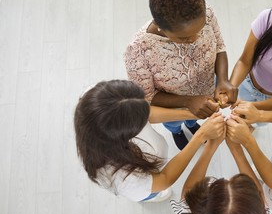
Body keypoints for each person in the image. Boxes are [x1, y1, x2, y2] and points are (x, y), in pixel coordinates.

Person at [124, 0, 237, 150]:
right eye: (184, 38)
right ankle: (176, 131)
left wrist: (222, 79)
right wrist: (189, 101)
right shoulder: (138, 51)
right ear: (160, 26)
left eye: (200, 30)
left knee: (194, 118)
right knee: (174, 123)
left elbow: (220, 47)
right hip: (172, 106)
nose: (195, 39)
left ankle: (191, 125)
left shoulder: (207, 14)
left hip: (206, 90)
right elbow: (147, 97)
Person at [74, 80, 225, 202]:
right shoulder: (123, 178)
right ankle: (155, 197)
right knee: (157, 193)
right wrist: (200, 137)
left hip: (153, 160)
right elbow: (164, 179)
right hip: (148, 185)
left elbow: (147, 112)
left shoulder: (97, 98)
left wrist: (191, 114)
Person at [170, 127, 272, 214]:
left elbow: (188, 190)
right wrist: (236, 150)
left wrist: (211, 146)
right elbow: (259, 193)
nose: (225, 179)